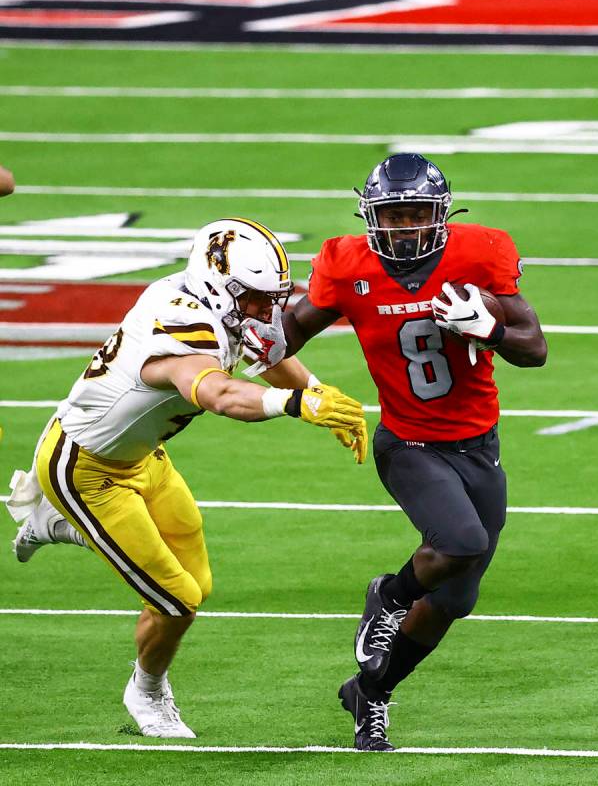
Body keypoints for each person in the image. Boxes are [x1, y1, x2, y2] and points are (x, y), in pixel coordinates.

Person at [7, 217, 367, 739]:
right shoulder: (178, 323)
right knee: (176, 598)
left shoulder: (219, 305)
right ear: (218, 284)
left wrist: (321, 392)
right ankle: (147, 693)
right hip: (85, 469)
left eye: (272, 298)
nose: (266, 311)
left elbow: (269, 356)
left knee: (198, 582)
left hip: (143, 457)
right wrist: (296, 403)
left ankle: (55, 525)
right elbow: (219, 394)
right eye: (254, 299)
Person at [281, 153, 548, 751]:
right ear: (373, 218)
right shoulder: (347, 264)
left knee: (456, 597)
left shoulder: (478, 255)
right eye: (393, 216)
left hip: (478, 446)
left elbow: (536, 349)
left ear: (441, 214)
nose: (404, 227)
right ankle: (391, 596)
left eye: (415, 213)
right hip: (409, 443)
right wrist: (237, 333)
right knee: (460, 542)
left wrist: (492, 331)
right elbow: (287, 332)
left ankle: (370, 692)